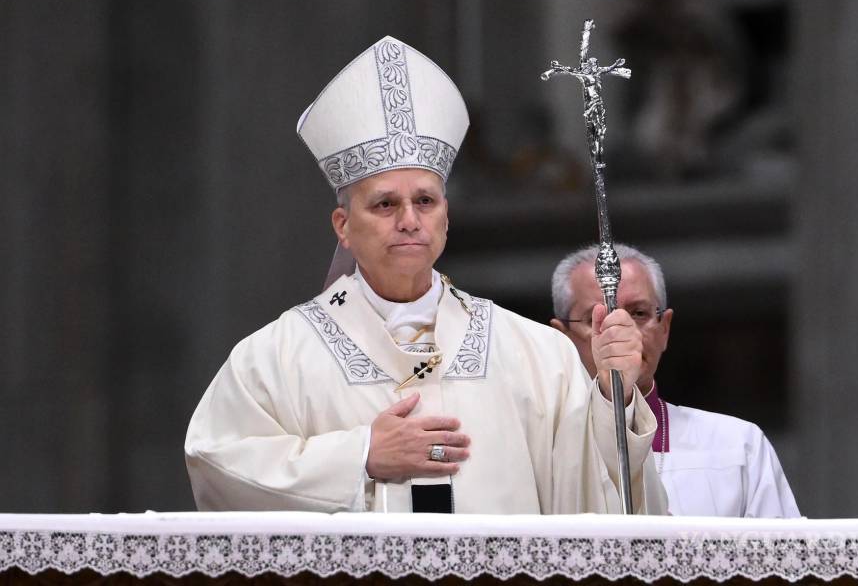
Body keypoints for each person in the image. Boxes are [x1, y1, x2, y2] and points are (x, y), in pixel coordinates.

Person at [184, 36, 668, 515]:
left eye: (425, 201)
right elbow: (215, 460)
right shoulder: (277, 357)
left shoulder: (537, 355)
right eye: (385, 204)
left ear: (446, 217)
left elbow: (598, 493)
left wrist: (614, 396)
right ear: (343, 226)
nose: (409, 220)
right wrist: (359, 457)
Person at [550, 243, 800, 517]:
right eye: (597, 318)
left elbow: (781, 558)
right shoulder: (544, 451)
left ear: (664, 328)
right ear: (562, 337)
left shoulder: (738, 447)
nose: (621, 331)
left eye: (638, 313)